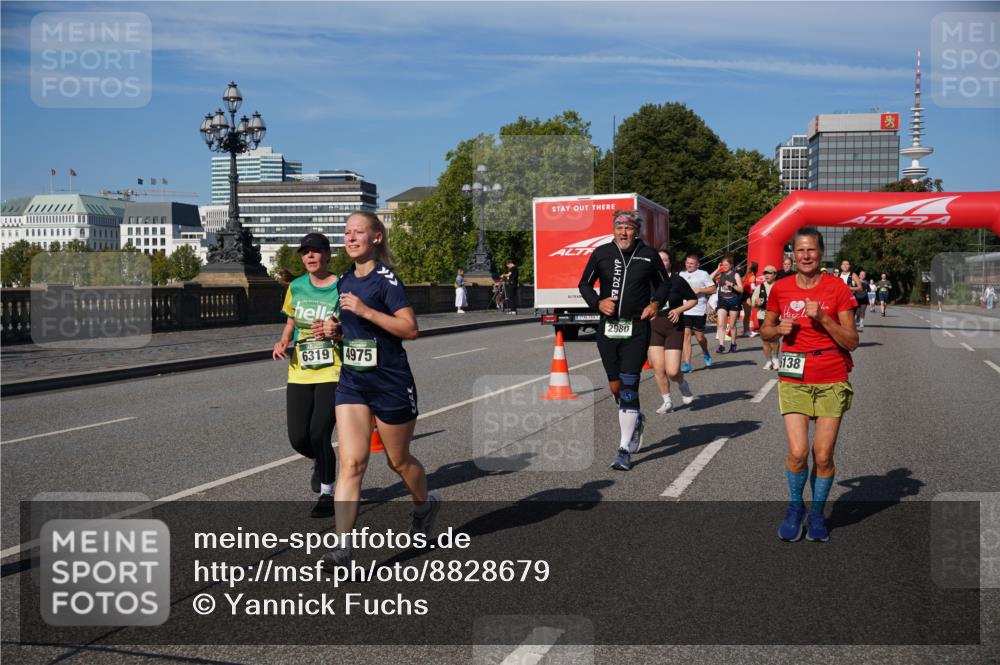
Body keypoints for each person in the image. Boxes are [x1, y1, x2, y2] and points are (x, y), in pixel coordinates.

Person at [321, 211, 439, 568]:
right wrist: (335, 331)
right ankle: (343, 549)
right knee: (351, 463)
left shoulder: (386, 280)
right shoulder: (345, 281)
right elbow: (353, 331)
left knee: (398, 462)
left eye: (358, 232)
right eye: (346, 232)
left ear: (376, 237)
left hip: (390, 383)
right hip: (353, 382)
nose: (350, 238)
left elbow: (410, 329)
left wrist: (366, 311)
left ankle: (425, 505)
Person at [760, 227, 859, 543]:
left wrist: (824, 320)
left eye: (811, 250)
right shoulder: (781, 288)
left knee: (823, 455)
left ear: (821, 253)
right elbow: (764, 330)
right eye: (800, 250)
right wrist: (777, 330)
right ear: (793, 254)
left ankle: (816, 513)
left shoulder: (837, 288)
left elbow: (852, 341)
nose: (805, 256)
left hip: (831, 377)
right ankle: (795, 507)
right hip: (794, 377)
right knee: (798, 452)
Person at [579, 209, 672, 471]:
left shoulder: (648, 254)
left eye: (628, 228)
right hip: (608, 329)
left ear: (636, 231)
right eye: (619, 228)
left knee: (629, 385)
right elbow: (584, 284)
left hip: (636, 329)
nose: (623, 232)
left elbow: (664, 284)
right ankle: (635, 418)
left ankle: (623, 448)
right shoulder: (602, 253)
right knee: (616, 386)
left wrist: (655, 303)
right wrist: (598, 302)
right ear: (613, 230)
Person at [272, 233, 341, 518]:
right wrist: (283, 341)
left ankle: (327, 494)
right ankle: (320, 461)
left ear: (327, 255)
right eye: (305, 252)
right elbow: (291, 321)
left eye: (315, 251)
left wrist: (336, 329)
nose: (309, 256)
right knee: (299, 438)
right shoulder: (297, 286)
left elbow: (351, 324)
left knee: (319, 433)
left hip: (332, 370)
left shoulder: (341, 286)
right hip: (300, 370)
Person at [648, 249, 697, 414]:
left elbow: (693, 299)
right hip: (654, 327)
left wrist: (678, 310)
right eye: (659, 259)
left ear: (670, 263)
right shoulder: (648, 280)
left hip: (674, 328)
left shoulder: (678, 280)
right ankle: (667, 401)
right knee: (658, 368)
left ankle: (682, 383)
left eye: (665, 260)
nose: (662, 262)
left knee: (673, 371)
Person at [679, 253, 716, 373]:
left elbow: (713, 289)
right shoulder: (681, 274)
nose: (689, 265)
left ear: (697, 265)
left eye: (691, 263)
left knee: (699, 337)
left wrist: (700, 289)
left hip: (699, 309)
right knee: (686, 336)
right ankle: (687, 363)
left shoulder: (703, 274)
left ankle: (705, 352)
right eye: (687, 263)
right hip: (685, 309)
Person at [710, 256, 743, 353]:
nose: (725, 266)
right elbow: (709, 278)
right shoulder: (721, 274)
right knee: (721, 324)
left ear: (731, 265)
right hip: (722, 300)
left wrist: (732, 285)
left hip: (734, 300)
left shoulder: (735, 275)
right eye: (723, 265)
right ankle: (721, 345)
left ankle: (733, 344)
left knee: (732, 325)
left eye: (726, 265)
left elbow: (741, 290)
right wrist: (717, 269)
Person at [751, 265, 780, 369]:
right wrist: (756, 302)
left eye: (769, 273)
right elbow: (752, 303)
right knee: (765, 339)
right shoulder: (760, 287)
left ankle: (775, 358)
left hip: (775, 316)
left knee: (774, 338)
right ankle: (768, 361)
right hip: (762, 315)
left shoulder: (779, 286)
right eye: (765, 273)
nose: (767, 275)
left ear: (775, 275)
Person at [838, 260, 862, 324]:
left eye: (847, 264)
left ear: (849, 266)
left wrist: (848, 288)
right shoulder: (838, 275)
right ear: (841, 266)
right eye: (843, 264)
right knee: (840, 319)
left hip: (850, 300)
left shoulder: (853, 275)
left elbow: (860, 288)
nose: (845, 266)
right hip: (839, 300)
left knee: (849, 320)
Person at [742, 262, 759, 337]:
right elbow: (752, 287)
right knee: (747, 314)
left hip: (744, 294)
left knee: (747, 314)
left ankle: (746, 330)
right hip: (747, 295)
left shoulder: (748, 275)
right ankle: (746, 331)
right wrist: (760, 287)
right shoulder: (752, 276)